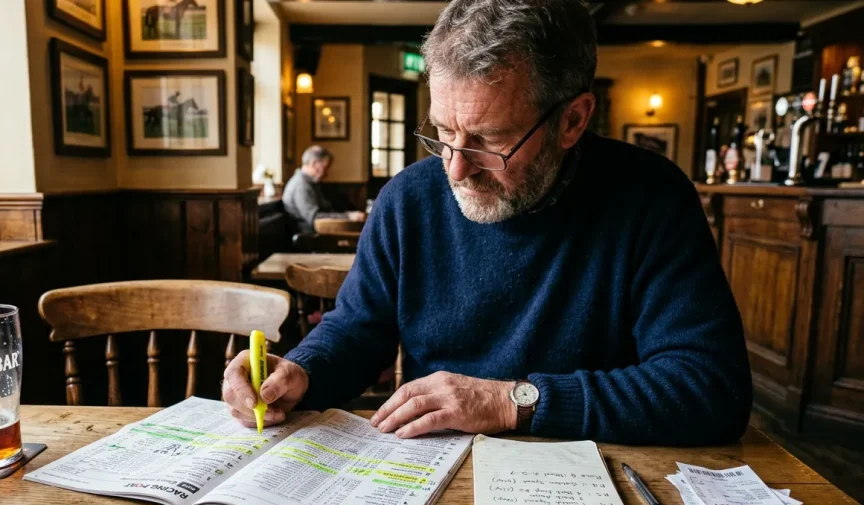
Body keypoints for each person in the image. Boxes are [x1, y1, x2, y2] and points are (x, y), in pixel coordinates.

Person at [224, 0, 751, 446]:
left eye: (490, 140)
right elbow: (358, 331)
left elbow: (711, 388)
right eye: (443, 132)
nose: (454, 168)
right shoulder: (408, 200)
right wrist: (302, 371)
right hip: (431, 473)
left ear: (573, 120)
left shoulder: (652, 198)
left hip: (596, 476)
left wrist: (512, 401)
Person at [282, 146, 366, 234]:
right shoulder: (301, 185)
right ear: (314, 163)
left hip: (321, 232)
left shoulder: (311, 183)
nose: (326, 173)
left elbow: (326, 210)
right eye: (325, 168)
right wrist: (348, 216)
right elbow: (316, 218)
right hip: (311, 237)